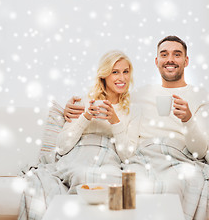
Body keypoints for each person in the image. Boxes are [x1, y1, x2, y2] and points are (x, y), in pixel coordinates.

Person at [63, 36, 209, 220]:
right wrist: (69, 108)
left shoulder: (202, 96)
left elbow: (199, 152)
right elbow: (112, 96)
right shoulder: (139, 95)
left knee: (176, 184)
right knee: (126, 186)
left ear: (186, 61)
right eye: (164, 54)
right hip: (142, 157)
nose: (170, 59)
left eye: (177, 54)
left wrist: (188, 119)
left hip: (179, 156)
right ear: (157, 61)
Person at [18, 50, 138, 220]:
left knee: (123, 185)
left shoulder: (132, 109)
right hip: (80, 155)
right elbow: (62, 146)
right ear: (104, 75)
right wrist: (86, 117)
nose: (122, 78)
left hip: (110, 159)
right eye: (115, 72)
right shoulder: (83, 102)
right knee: (83, 174)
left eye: (126, 72)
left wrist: (115, 121)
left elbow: (128, 155)